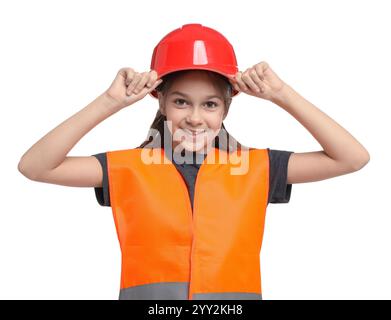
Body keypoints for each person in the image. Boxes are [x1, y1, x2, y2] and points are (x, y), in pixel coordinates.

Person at [17, 24, 370, 300]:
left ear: (227, 107)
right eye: (182, 102)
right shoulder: (128, 168)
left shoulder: (256, 168)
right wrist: (109, 102)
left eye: (211, 104)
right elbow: (35, 167)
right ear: (161, 103)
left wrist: (282, 95)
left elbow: (352, 158)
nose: (196, 118)